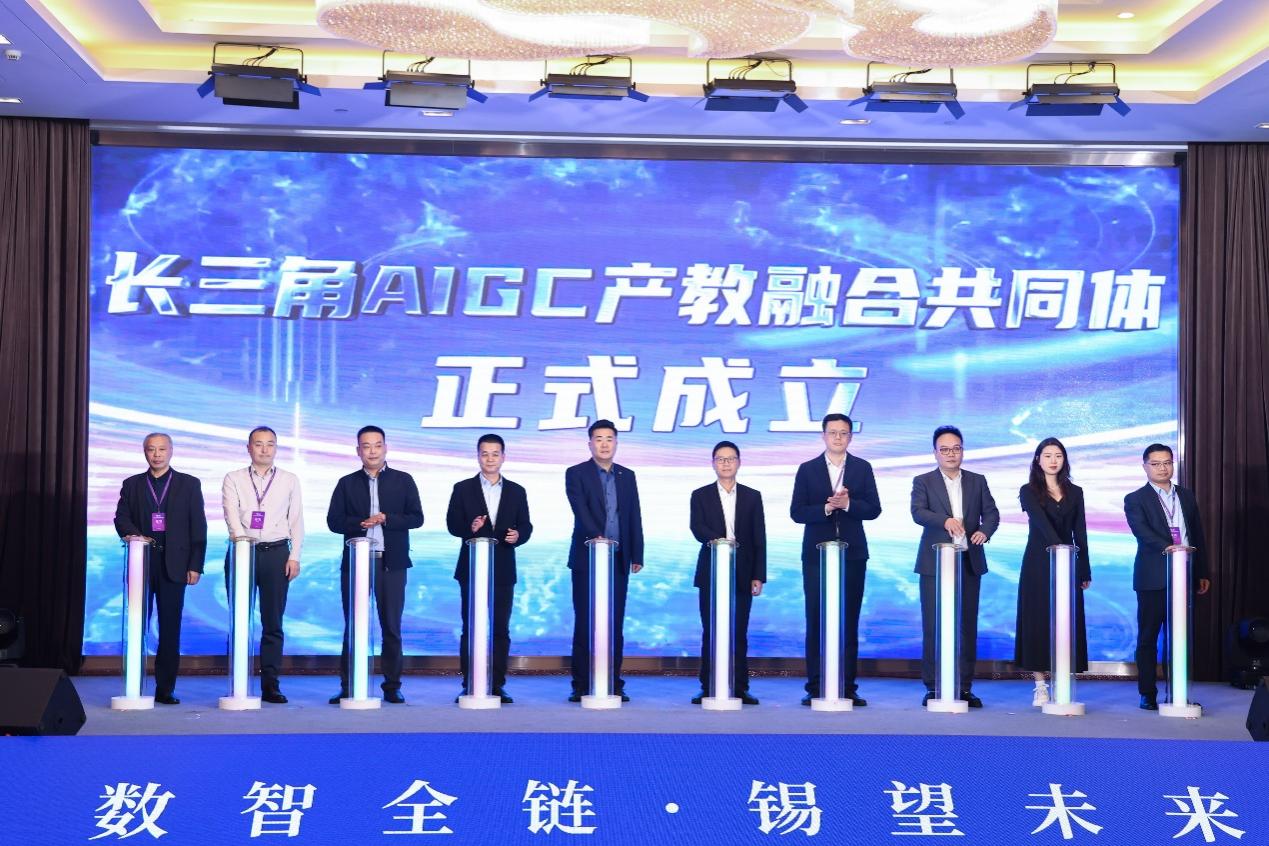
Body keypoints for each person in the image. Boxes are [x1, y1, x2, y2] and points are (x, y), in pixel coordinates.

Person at [326, 426, 424, 704]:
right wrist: (361, 523)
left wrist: (386, 519)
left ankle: (392, 686)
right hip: (356, 563)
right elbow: (333, 521)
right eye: (366, 446)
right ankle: (348, 685)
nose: (372, 451)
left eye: (377, 445)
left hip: (392, 563)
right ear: (358, 450)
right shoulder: (346, 483)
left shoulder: (403, 480)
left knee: (391, 626)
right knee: (353, 626)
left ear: (385, 448)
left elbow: (417, 518)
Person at [790, 413, 881, 706]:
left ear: (851, 437)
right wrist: (827, 508)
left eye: (844, 433)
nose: (838, 438)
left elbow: (874, 509)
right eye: (833, 432)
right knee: (816, 619)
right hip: (816, 556)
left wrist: (849, 504)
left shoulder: (862, 468)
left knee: (849, 619)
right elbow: (796, 512)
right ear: (823, 436)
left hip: (852, 554)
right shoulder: (807, 469)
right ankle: (815, 685)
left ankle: (847, 686)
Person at [112, 432, 207, 705]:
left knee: (169, 629)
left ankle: (165, 689)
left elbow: (198, 526)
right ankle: (134, 685)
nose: (156, 455)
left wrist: (195, 565)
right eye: (151, 450)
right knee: (137, 625)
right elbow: (121, 518)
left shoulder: (189, 484)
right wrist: (136, 536)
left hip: (175, 566)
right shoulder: (132, 484)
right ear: (145, 452)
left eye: (161, 449)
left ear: (171, 451)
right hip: (141, 564)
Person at [910, 425, 999, 707]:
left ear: (963, 450)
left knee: (966, 626)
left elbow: (992, 514)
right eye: (945, 449)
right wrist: (944, 521)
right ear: (935, 453)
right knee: (934, 626)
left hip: (968, 562)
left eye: (956, 448)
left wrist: (984, 531)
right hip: (934, 564)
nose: (951, 454)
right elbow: (917, 512)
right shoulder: (923, 481)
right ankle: (934, 686)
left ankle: (964, 687)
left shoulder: (977, 481)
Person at [445, 433, 533, 703]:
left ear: (503, 457)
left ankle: (496, 684)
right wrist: (469, 528)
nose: (490, 459)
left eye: (495, 454)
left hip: (503, 568)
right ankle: (469, 682)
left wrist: (519, 536)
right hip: (471, 567)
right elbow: (452, 524)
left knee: (500, 629)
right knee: (471, 627)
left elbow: (526, 525)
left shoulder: (517, 491)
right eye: (485, 453)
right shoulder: (463, 488)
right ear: (478, 456)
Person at [1124, 443, 1210, 710]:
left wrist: (1202, 571)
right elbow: (1141, 532)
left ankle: (1178, 692)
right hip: (1152, 578)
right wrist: (1168, 547)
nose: (1162, 468)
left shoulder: (1186, 496)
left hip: (1184, 576)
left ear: (1173, 464)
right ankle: (1147, 693)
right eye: (1156, 463)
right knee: (1148, 638)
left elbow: (1196, 534)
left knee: (1179, 638)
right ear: (1145, 467)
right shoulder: (1135, 499)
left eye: (1167, 463)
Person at [221, 426, 304, 704]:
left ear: (276, 448)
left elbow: (296, 520)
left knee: (273, 622)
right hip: (242, 551)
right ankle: (238, 682)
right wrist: (241, 541)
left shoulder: (289, 480)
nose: (264, 449)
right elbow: (231, 515)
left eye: (270, 444)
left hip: (277, 553)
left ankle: (271, 685)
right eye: (258, 444)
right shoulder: (233, 478)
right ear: (249, 448)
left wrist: (295, 556)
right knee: (239, 620)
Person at [564, 419, 644, 702]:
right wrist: (598, 538)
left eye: (609, 438)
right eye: (598, 439)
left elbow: (633, 514)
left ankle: (613, 682)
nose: (604, 444)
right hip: (587, 558)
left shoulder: (627, 475)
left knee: (614, 622)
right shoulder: (576, 473)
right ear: (590, 444)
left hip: (619, 559)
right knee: (585, 622)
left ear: (616, 443)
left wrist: (637, 553)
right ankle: (581, 683)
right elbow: (580, 510)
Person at [1014, 437, 1092, 706]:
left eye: (1058, 455)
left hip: (1069, 563)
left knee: (1067, 621)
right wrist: (1060, 548)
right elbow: (1042, 524)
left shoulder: (1076, 492)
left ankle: (1062, 681)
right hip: (1038, 562)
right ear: (1038, 460)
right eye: (1047, 455)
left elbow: (1080, 531)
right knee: (1037, 620)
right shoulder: (1028, 490)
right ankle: (1040, 685)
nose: (1053, 460)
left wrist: (1083, 567)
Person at [688, 441, 766, 705]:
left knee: (738, 631)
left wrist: (758, 575)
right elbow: (697, 527)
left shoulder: (752, 496)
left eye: (730, 458)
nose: (725, 463)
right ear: (713, 463)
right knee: (711, 630)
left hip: (743, 572)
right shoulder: (700, 495)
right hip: (711, 570)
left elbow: (759, 537)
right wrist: (721, 542)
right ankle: (708, 686)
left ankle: (740, 687)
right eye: (720, 459)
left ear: (739, 463)